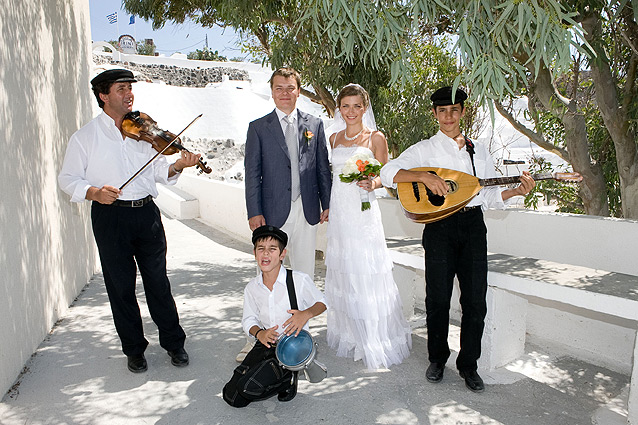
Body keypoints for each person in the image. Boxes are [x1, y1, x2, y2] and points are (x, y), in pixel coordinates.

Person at [380, 86, 535, 392]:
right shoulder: (424, 149)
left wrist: (516, 191)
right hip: (439, 228)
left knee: (475, 301)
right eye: (442, 111)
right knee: (437, 298)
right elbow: (388, 171)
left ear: (463, 112)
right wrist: (423, 177)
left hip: (473, 227)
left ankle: (469, 365)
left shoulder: (479, 151)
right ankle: (437, 359)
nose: (448, 117)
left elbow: (488, 196)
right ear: (435, 114)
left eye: (454, 110)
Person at [58, 69, 201, 373]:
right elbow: (67, 178)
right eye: (121, 89)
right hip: (110, 217)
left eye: (130, 89)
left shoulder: (143, 130)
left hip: (147, 213)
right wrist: (94, 192)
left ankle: (174, 343)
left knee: (158, 283)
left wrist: (178, 164)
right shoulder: (85, 137)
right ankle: (134, 349)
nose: (129, 94)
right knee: (121, 287)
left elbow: (161, 172)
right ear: (103, 95)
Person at [240, 67, 331, 362]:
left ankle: (301, 333)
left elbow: (321, 168)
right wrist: (254, 211)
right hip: (272, 213)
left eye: (290, 87)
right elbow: (252, 174)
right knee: (266, 274)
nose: (285, 93)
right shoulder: (258, 127)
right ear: (272, 91)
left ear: (298, 90)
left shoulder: (314, 124)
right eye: (279, 88)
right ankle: (264, 336)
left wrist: (326, 202)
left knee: (304, 272)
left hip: (306, 210)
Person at [324, 84, 412, 370]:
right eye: (345, 106)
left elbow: (385, 177)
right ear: (339, 109)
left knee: (365, 271)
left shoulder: (376, 138)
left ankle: (371, 338)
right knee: (345, 272)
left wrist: (370, 182)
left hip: (363, 215)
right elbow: (332, 177)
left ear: (365, 107)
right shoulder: (333, 137)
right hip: (340, 213)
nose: (351, 112)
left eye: (356, 106)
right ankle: (350, 334)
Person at [223, 225, 327, 407]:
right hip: (267, 343)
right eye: (261, 249)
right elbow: (249, 320)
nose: (266, 254)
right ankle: (281, 375)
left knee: (248, 388)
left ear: (282, 254)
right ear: (255, 253)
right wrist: (259, 334)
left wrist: (305, 314)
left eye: (272, 249)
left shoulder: (298, 280)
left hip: (293, 347)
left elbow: (323, 303)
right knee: (232, 397)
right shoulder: (252, 288)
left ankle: (287, 379)